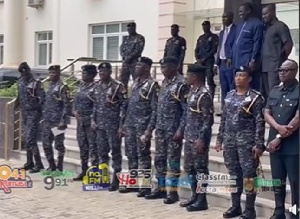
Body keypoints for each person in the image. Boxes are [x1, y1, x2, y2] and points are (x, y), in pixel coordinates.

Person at [215, 66, 265, 219]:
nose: (238, 78)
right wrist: (219, 139)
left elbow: (259, 122)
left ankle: (250, 209)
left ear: (249, 79)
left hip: (247, 143)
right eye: (237, 75)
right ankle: (235, 206)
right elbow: (224, 119)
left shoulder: (256, 98)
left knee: (249, 176)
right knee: (233, 175)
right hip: (230, 142)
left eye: (242, 75)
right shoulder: (229, 95)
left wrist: (258, 144)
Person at [145, 57, 189, 205]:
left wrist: (180, 130)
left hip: (173, 130)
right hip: (161, 129)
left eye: (166, 67)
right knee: (159, 159)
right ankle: (161, 188)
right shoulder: (163, 83)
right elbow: (157, 108)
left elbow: (186, 110)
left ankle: (173, 191)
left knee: (173, 160)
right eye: (162, 67)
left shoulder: (182, 84)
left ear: (175, 67)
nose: (163, 70)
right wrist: (151, 129)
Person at [264, 59, 299, 219]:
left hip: (293, 145)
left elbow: (297, 119)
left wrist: (279, 136)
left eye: (286, 70)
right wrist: (277, 128)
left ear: (295, 71)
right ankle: (279, 212)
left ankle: (295, 213)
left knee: (295, 183)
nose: (282, 72)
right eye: (280, 70)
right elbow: (266, 112)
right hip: (275, 145)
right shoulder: (275, 90)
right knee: (277, 181)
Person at [119, 57, 159, 195]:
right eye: (136, 65)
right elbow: (130, 105)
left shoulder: (152, 85)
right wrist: (124, 124)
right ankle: (134, 182)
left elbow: (155, 109)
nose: (136, 68)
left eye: (139, 65)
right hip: (131, 124)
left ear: (147, 68)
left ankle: (145, 185)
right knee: (131, 154)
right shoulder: (135, 83)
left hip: (142, 125)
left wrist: (149, 130)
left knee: (143, 155)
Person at [180, 64, 214, 212]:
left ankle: (202, 199)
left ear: (195, 77)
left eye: (188, 75)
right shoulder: (192, 91)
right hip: (189, 136)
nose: (186, 78)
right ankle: (195, 195)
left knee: (201, 170)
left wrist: (201, 138)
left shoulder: (204, 94)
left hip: (199, 139)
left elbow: (208, 120)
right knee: (189, 168)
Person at [91, 62, 128, 192]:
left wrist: (121, 125)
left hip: (113, 125)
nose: (102, 74)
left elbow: (124, 106)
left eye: (104, 72)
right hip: (100, 125)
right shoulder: (96, 86)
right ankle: (104, 178)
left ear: (110, 72)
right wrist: (93, 120)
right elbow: (95, 105)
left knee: (116, 153)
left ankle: (116, 180)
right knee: (102, 153)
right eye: (100, 72)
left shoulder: (118, 86)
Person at [16, 62, 45, 173]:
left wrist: (40, 112)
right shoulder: (20, 82)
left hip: (34, 113)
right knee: (27, 138)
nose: (24, 75)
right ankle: (29, 162)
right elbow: (19, 96)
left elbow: (42, 98)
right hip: (25, 113)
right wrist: (16, 106)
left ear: (29, 71)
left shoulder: (36, 83)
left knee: (30, 139)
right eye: (22, 73)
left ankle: (39, 164)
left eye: (25, 72)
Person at [261, 4, 294, 101]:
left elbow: (288, 44)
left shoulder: (280, 26)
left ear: (272, 12)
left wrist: (281, 60)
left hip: (275, 65)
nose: (264, 16)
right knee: (266, 93)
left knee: (273, 91)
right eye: (263, 14)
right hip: (265, 65)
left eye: (266, 14)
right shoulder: (266, 28)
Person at [73, 65, 99, 181]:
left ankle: (94, 174)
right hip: (80, 122)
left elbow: (98, 106)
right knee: (83, 147)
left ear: (92, 75)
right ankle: (84, 171)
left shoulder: (96, 87)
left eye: (85, 73)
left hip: (90, 122)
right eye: (82, 73)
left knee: (93, 149)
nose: (83, 75)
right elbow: (74, 101)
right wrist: (74, 111)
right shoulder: (80, 86)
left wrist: (93, 118)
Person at [42, 65, 70, 172]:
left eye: (53, 73)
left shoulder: (62, 87)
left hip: (58, 121)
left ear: (58, 74)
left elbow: (66, 105)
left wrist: (63, 121)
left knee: (58, 145)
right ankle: (51, 165)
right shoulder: (48, 86)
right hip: (48, 120)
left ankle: (60, 166)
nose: (51, 75)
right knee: (46, 144)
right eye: (50, 73)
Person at [232, 2, 263, 91]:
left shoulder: (256, 24)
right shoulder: (239, 25)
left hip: (247, 60)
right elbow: (235, 42)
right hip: (237, 60)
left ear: (248, 11)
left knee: (249, 84)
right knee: (237, 84)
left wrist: (253, 59)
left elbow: (257, 42)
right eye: (239, 11)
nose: (240, 13)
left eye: (242, 11)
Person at [216, 11, 237, 114]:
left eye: (226, 17)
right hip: (222, 63)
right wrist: (217, 63)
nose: (223, 19)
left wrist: (231, 57)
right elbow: (220, 47)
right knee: (223, 86)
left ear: (231, 17)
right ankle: (224, 109)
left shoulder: (236, 30)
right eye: (222, 17)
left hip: (230, 62)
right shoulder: (221, 32)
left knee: (231, 86)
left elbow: (235, 46)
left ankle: (231, 108)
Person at [195, 21, 219, 100]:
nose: (205, 28)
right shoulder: (200, 38)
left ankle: (211, 98)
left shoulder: (214, 37)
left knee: (209, 79)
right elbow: (196, 50)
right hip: (200, 63)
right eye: (203, 26)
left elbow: (214, 50)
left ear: (209, 27)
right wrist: (198, 59)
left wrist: (204, 59)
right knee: (200, 79)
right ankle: (201, 96)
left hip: (209, 61)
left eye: (206, 26)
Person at [120, 22, 145, 88]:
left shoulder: (139, 38)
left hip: (135, 63)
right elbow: (122, 48)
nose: (129, 31)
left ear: (134, 28)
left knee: (136, 80)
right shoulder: (126, 38)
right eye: (128, 29)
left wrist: (129, 57)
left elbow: (138, 50)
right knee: (123, 81)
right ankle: (123, 96)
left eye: (130, 29)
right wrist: (123, 56)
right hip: (125, 63)